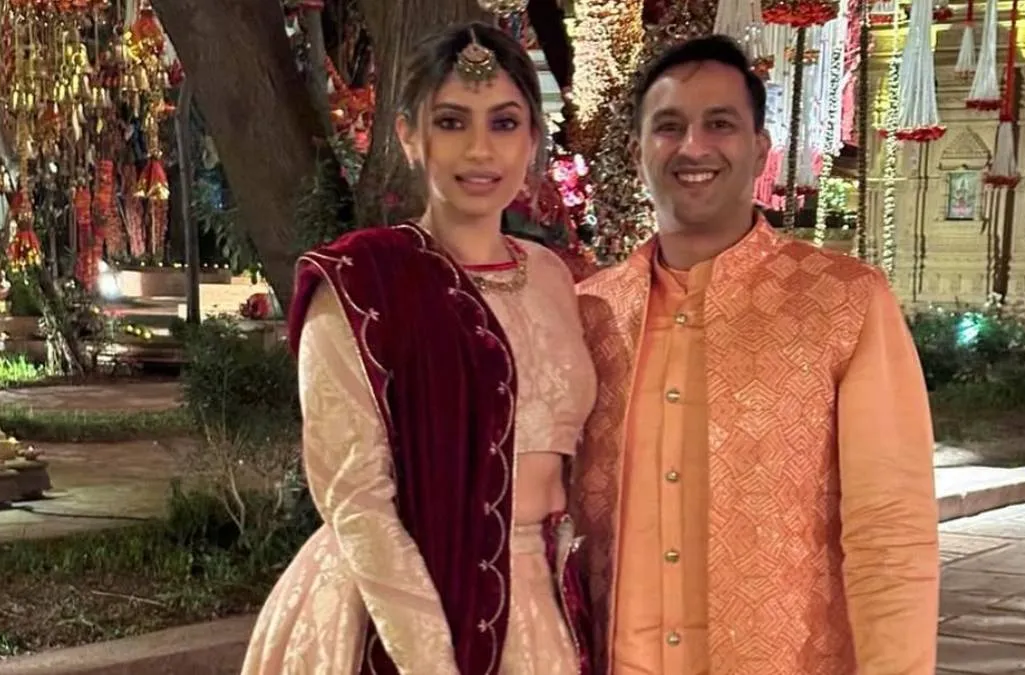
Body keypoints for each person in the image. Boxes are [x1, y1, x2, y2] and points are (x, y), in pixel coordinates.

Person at [572, 35, 940, 674]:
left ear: (760, 149)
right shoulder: (585, 315)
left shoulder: (842, 302)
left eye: (720, 124)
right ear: (637, 152)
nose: (693, 146)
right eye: (669, 126)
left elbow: (890, 531)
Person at [242, 23, 595, 675]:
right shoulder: (365, 283)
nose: (480, 149)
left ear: (532, 139)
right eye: (452, 122)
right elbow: (356, 499)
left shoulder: (553, 276)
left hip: (544, 604)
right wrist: (431, 661)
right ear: (408, 135)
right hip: (402, 606)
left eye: (504, 122)